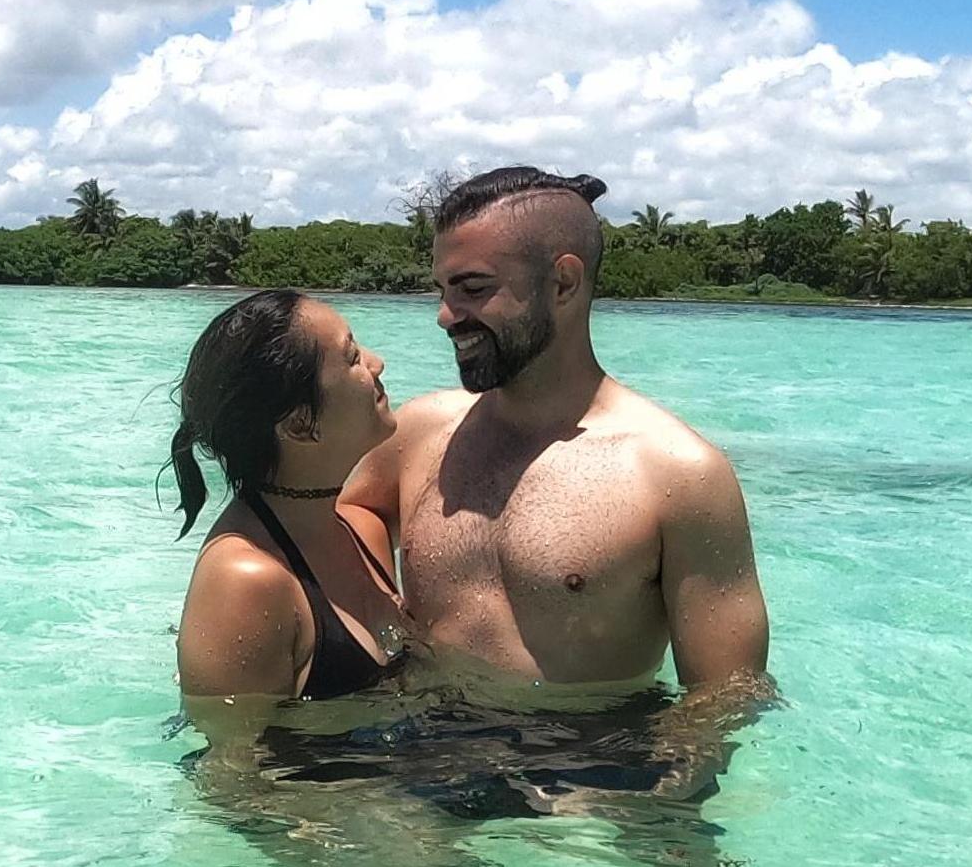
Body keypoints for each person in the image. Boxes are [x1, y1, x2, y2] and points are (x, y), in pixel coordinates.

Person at [342, 166, 769, 694]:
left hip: (587, 757)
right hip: (428, 740)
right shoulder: (421, 433)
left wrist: (657, 776)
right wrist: (380, 620)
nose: (446, 316)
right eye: (444, 289)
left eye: (473, 288)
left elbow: (728, 695)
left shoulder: (678, 475)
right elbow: (344, 509)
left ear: (563, 282)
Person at [171, 288, 407, 703]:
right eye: (352, 358)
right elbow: (231, 763)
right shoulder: (245, 581)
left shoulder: (363, 529)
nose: (376, 362)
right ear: (300, 425)